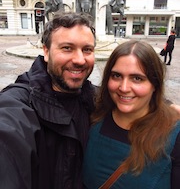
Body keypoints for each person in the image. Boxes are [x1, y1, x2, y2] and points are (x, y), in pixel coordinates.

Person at [0, 12, 96, 189]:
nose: (80, 60)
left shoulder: (97, 100)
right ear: (46, 51)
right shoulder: (18, 103)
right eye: (67, 48)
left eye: (87, 49)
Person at [83, 40, 180, 189]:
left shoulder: (174, 135)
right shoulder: (93, 113)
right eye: (116, 76)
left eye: (137, 78)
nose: (124, 87)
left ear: (155, 84)